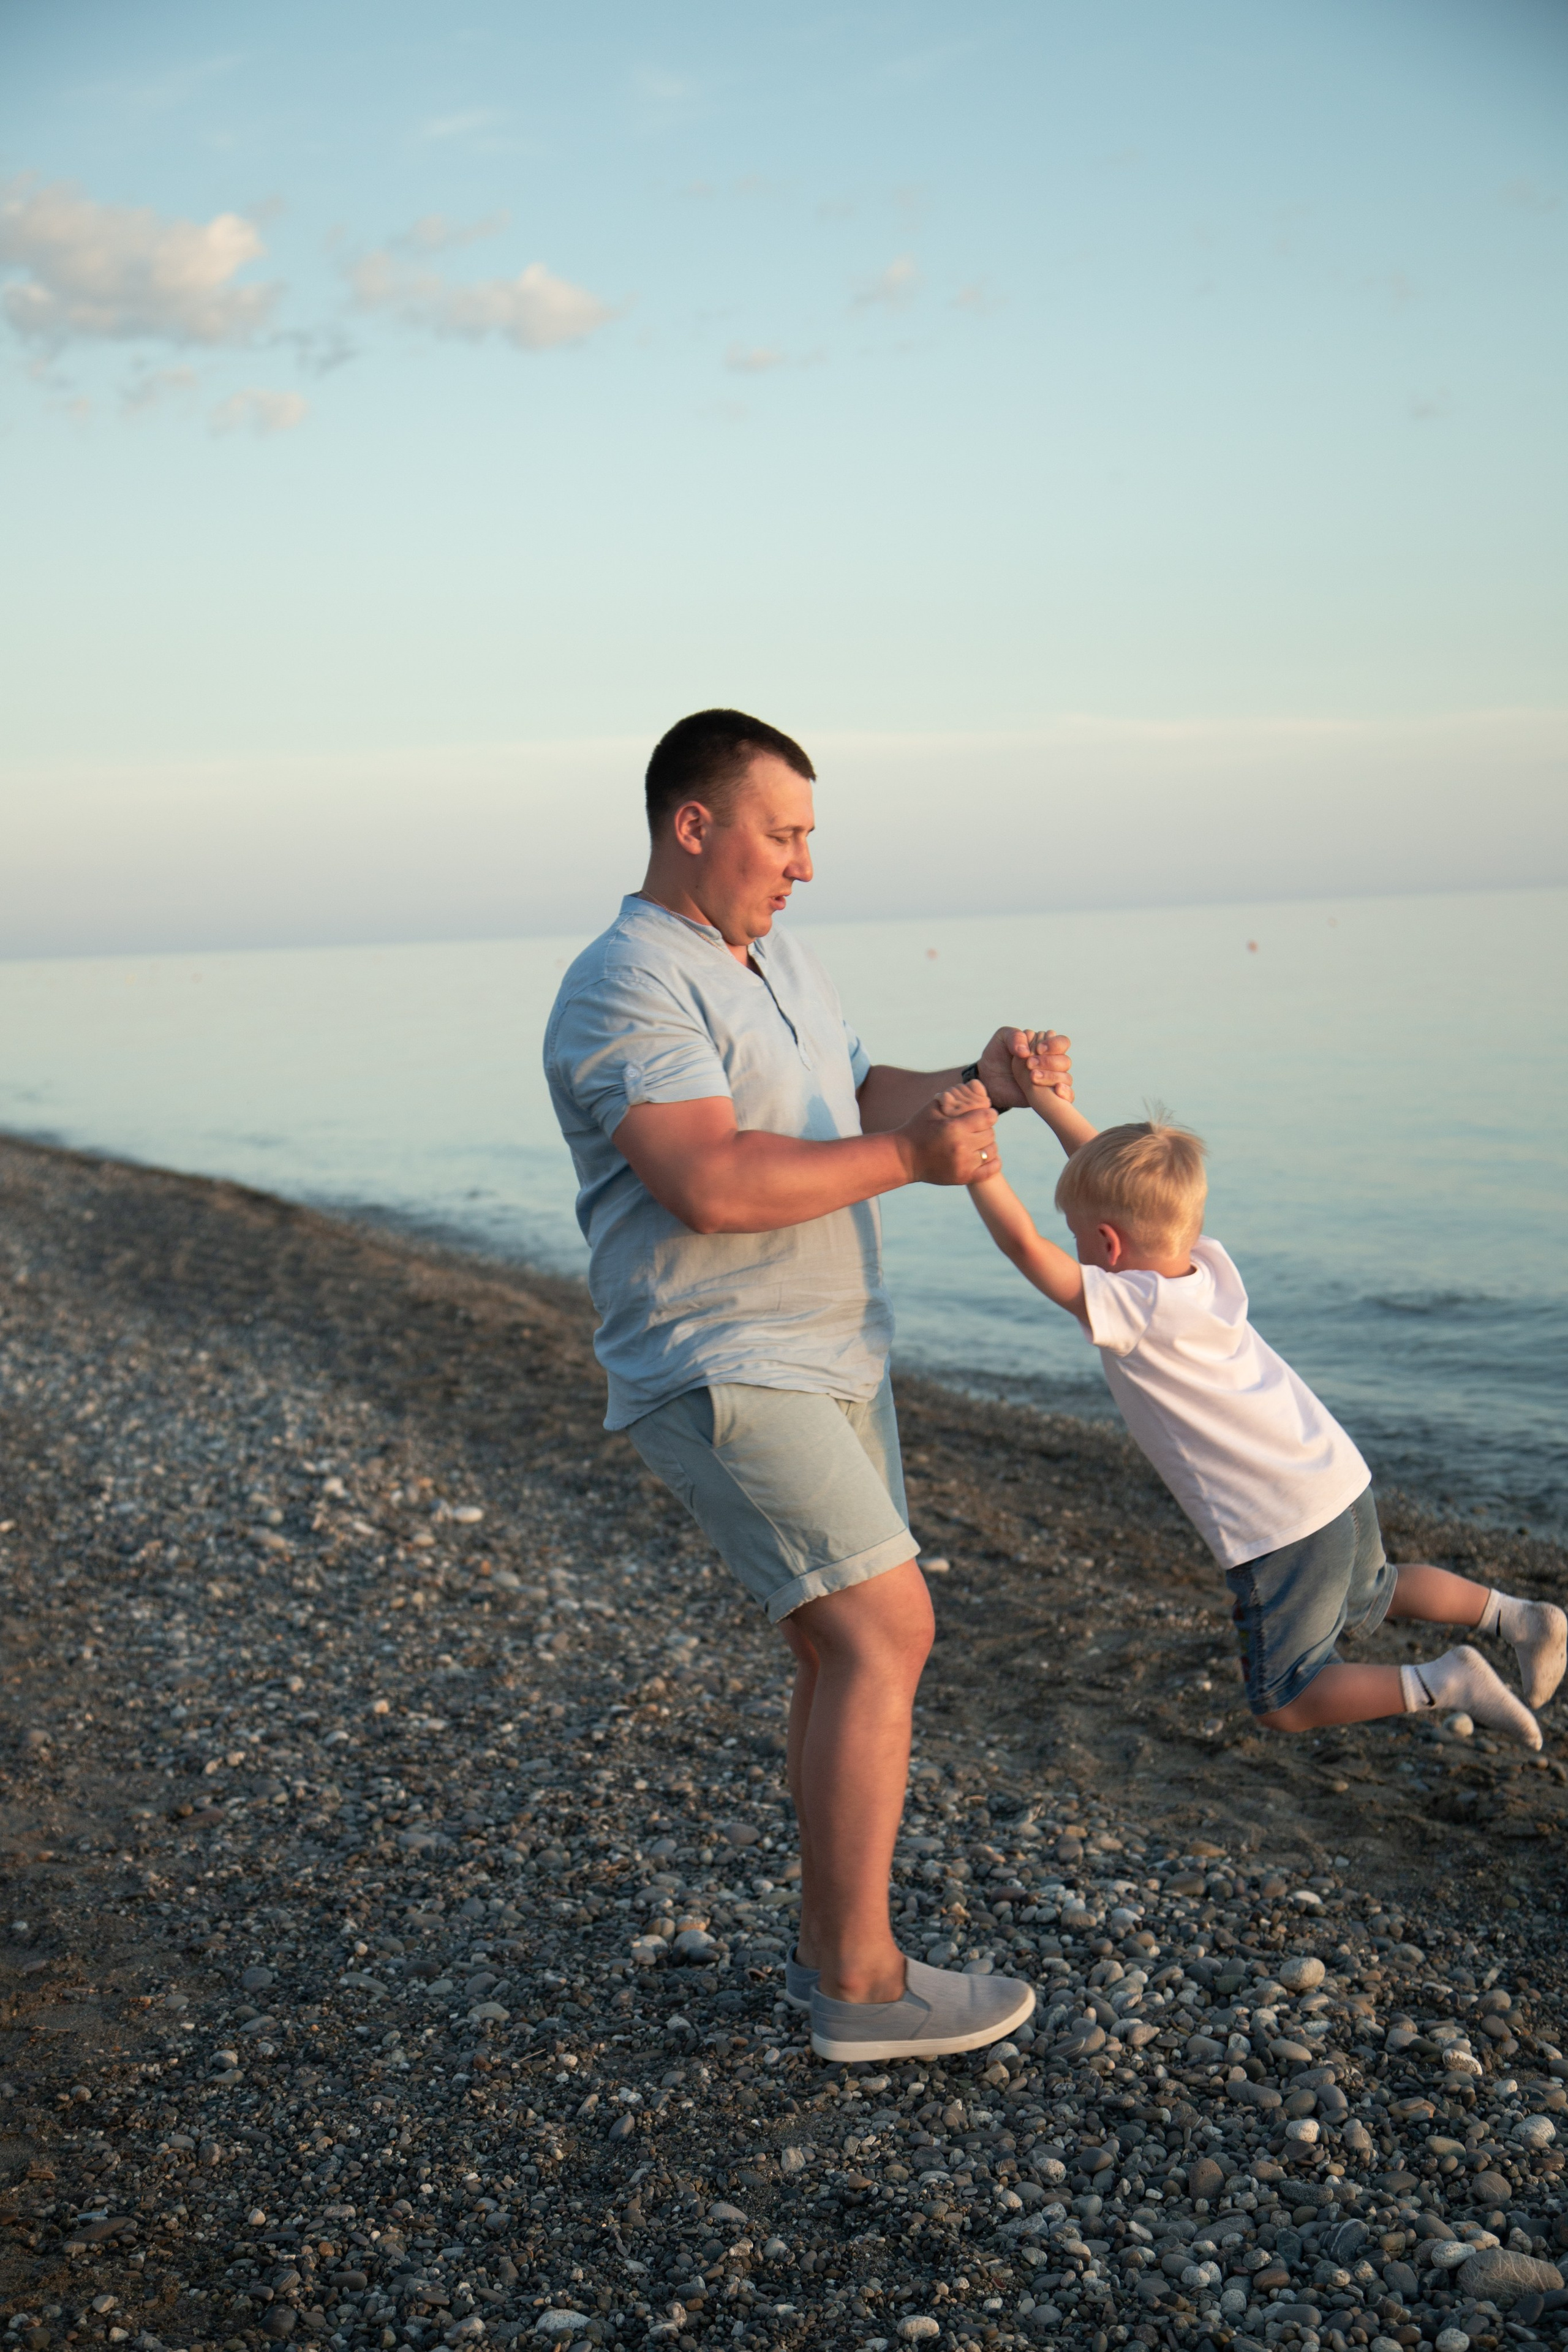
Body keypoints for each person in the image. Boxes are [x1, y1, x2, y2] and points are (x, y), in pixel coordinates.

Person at [545, 709, 1066, 2062]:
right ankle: (862, 1988)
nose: (805, 865)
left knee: (836, 1649)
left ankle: (835, 1954)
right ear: (693, 825)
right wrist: (914, 1164)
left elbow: (851, 1096)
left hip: (834, 1350)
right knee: (887, 1633)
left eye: (810, 837)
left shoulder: (776, 957)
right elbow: (709, 1181)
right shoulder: (624, 981)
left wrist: (979, 1086)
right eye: (783, 835)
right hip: (718, 1357)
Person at [959, 1052, 1566, 1743]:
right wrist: (1045, 1100)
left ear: (1107, 1244)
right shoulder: (1205, 1266)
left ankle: (1445, 1681)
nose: (1074, 1247)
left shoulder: (1132, 1308)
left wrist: (979, 1166)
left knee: (1286, 1696)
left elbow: (1025, 1247)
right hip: (1335, 1477)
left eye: (1078, 1236)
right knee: (1379, 1588)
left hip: (1278, 1523)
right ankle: (1518, 1617)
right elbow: (1113, 1183)